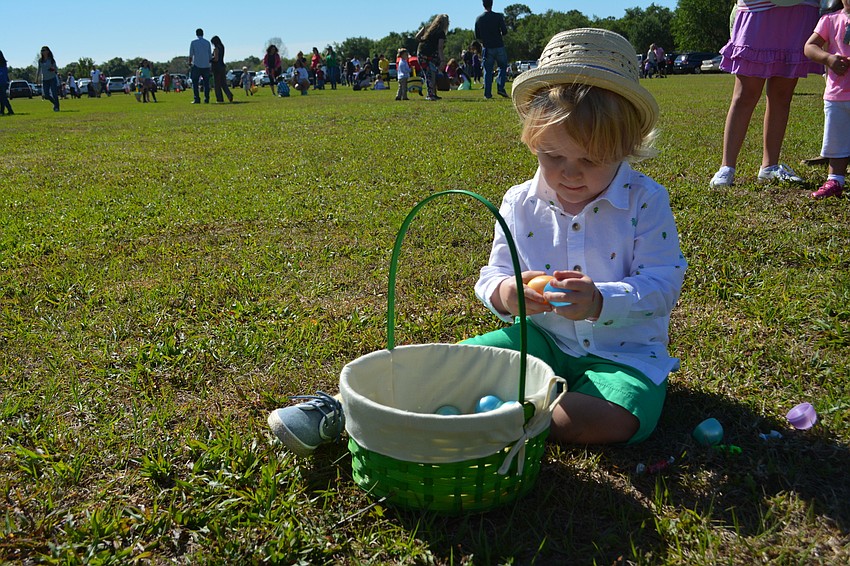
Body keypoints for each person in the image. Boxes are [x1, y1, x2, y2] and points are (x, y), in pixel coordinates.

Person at [267, 28, 686, 455]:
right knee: (449, 362)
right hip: (539, 338)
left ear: (627, 147)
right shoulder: (521, 201)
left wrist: (601, 301)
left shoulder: (645, 201)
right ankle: (339, 408)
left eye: (591, 160)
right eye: (553, 156)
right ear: (533, 140)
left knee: (591, 419)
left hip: (624, 355)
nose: (570, 174)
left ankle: (518, 411)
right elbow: (494, 274)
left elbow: (664, 282)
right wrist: (507, 292)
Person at [709, 1, 823, 188]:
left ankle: (769, 166)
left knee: (782, 95)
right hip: (759, 6)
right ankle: (726, 167)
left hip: (801, 7)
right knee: (745, 93)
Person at [803, 0, 850, 198]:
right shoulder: (830, 20)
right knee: (837, 142)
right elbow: (810, 46)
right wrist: (828, 59)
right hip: (837, 95)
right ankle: (835, 180)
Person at [475, 0, 509, 98]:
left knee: (488, 71)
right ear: (492, 4)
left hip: (487, 47)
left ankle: (487, 94)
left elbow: (477, 36)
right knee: (502, 67)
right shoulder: (498, 16)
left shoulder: (479, 19)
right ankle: (500, 87)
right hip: (499, 45)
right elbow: (504, 31)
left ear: (483, 5)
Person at [415, 13, 449, 101]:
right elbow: (440, 47)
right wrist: (442, 60)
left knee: (430, 74)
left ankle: (433, 93)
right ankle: (430, 94)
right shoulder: (441, 33)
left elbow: (417, 37)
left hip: (421, 53)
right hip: (430, 55)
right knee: (431, 74)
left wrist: (424, 40)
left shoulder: (427, 27)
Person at [189, 28, 212, 104]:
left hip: (196, 65)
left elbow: (191, 55)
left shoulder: (193, 42)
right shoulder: (207, 43)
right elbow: (209, 55)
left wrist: (190, 63)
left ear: (196, 34)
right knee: (206, 83)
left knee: (195, 83)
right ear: (203, 33)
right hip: (206, 65)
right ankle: (206, 99)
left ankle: (197, 99)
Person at [210, 36, 234, 103]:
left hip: (217, 67)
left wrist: (210, 59)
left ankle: (219, 99)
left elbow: (216, 58)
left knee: (217, 84)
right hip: (222, 66)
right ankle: (229, 95)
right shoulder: (222, 47)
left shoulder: (216, 49)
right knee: (223, 83)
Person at [38, 46, 61, 112]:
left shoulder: (51, 60)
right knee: (46, 95)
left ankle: (57, 107)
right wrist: (37, 78)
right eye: (42, 50)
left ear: (47, 51)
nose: (43, 52)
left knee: (54, 93)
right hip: (45, 80)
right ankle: (55, 104)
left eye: (44, 50)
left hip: (52, 78)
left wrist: (52, 69)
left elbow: (55, 69)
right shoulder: (40, 61)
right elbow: (39, 69)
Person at [0, 51, 13, 116]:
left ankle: (10, 110)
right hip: (4, 82)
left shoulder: (2, 66)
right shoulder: (4, 65)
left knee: (3, 97)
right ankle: (2, 111)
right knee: (2, 97)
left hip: (1, 82)